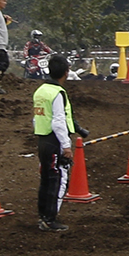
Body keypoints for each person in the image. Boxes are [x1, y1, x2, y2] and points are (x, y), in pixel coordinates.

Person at [33, 54, 88, 232]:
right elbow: (58, 122)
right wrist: (66, 146)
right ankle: (50, 219)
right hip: (54, 141)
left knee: (46, 180)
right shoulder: (57, 93)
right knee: (57, 180)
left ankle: (43, 216)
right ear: (66, 72)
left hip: (42, 140)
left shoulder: (40, 91)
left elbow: (37, 118)